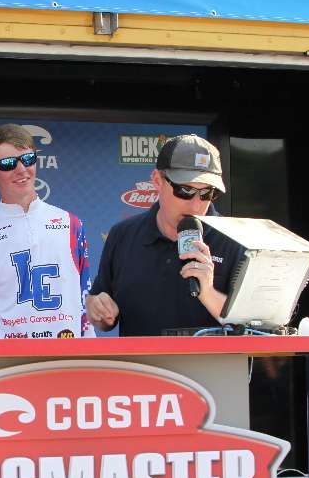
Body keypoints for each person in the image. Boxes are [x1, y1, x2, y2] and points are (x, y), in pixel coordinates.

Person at [86, 134, 243, 336]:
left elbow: (253, 329)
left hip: (212, 366)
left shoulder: (235, 239)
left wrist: (208, 293)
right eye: (185, 190)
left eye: (207, 194)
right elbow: (101, 308)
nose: (196, 205)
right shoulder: (123, 235)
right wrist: (98, 309)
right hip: (140, 367)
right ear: (157, 180)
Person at [0, 123, 93, 339]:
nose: (21, 170)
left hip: (66, 358)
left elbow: (84, 301)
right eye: (8, 163)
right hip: (4, 364)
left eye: (28, 159)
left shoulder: (71, 223)